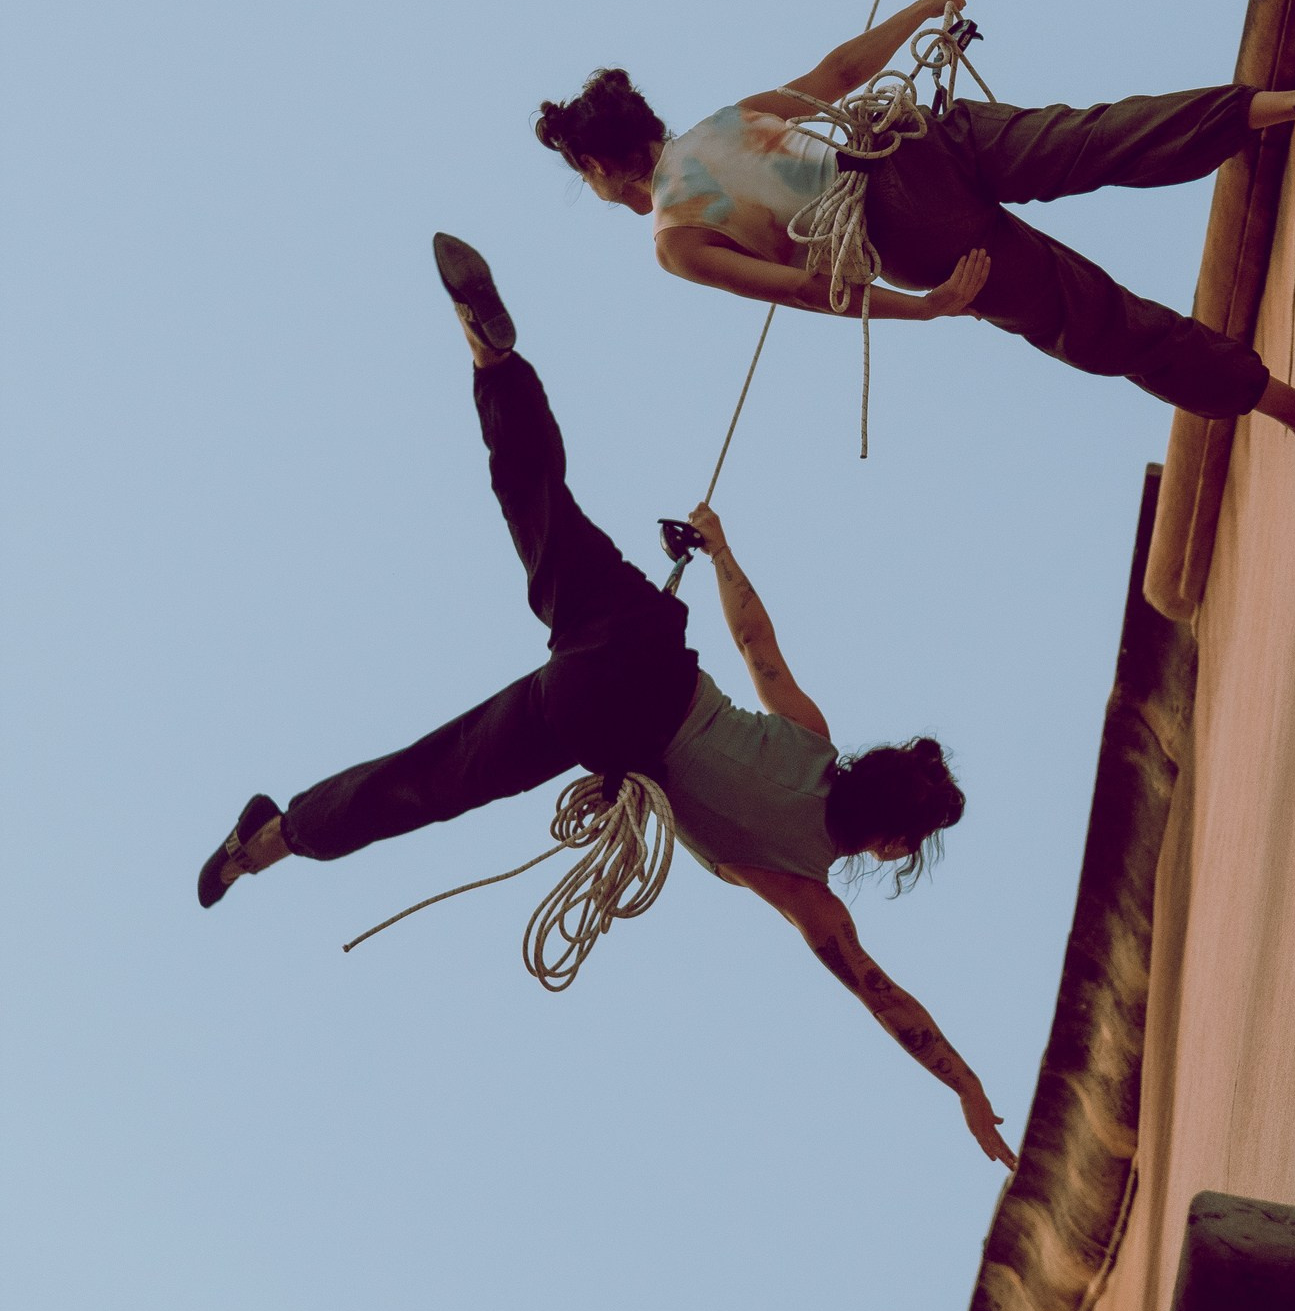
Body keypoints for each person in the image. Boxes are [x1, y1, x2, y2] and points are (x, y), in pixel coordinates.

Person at [197, 235, 1017, 1167]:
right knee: (425, 780)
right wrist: (965, 1086)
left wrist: (719, 548)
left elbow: (757, 643)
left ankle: (494, 364)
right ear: (892, 844)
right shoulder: (805, 886)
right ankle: (275, 841)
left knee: (539, 504)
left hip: (643, 638)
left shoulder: (811, 738)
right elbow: (881, 996)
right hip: (607, 716)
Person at [533, 0, 1295, 506]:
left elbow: (805, 290)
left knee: (1105, 326)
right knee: (1100, 137)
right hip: (920, 142)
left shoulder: (675, 237)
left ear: (599, 167)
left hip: (908, 231)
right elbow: (841, 75)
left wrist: (927, 309)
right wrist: (923, 7)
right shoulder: (727, 119)